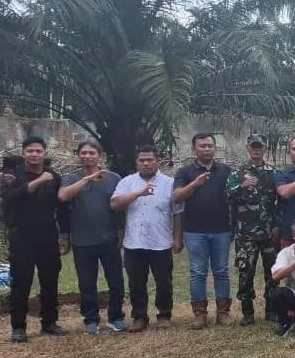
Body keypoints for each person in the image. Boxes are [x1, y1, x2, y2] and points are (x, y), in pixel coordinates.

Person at [3, 136, 69, 342]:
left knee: (50, 279)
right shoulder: (11, 175)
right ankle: (18, 327)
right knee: (21, 281)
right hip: (21, 234)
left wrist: (65, 234)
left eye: (38, 151)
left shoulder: (55, 177)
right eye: (30, 151)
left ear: (44, 153)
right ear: (24, 154)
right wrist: (40, 180)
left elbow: (62, 207)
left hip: (47, 233)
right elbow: (11, 198)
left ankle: (49, 322)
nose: (34, 154)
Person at [111, 145, 182, 332]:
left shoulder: (169, 183)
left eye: (150, 160)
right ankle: (140, 317)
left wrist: (177, 238)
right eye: (142, 160)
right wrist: (137, 193)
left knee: (164, 282)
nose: (146, 163)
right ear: (136, 162)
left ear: (158, 162)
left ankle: (164, 315)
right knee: (136, 283)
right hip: (134, 242)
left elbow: (178, 213)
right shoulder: (127, 182)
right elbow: (115, 204)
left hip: (161, 242)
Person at [58, 140, 125, 334]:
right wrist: (88, 179)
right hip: (82, 240)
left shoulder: (113, 178)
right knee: (87, 283)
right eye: (84, 153)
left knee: (116, 281)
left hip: (109, 238)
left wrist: (121, 232)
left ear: (100, 156)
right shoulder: (71, 179)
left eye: (91, 153)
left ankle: (116, 317)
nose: (87, 156)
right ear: (79, 156)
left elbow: (120, 207)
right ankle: (91, 319)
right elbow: (63, 196)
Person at [173, 132, 234, 328]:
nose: (206, 149)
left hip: (222, 230)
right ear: (194, 149)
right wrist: (195, 184)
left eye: (210, 146)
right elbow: (177, 197)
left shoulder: (226, 171)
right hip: (195, 231)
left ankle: (223, 313)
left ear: (215, 148)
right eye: (202, 146)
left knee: (222, 271)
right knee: (198, 272)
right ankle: (200, 315)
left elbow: (235, 197)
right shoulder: (185, 172)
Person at [226, 134, 279, 326]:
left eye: (260, 146)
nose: (256, 149)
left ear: (264, 148)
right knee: (245, 271)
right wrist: (243, 185)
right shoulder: (237, 173)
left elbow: (280, 201)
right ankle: (247, 312)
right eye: (253, 146)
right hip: (246, 233)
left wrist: (277, 226)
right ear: (248, 148)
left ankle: (272, 310)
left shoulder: (273, 173)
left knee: (273, 272)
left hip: (268, 233)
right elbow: (227, 196)